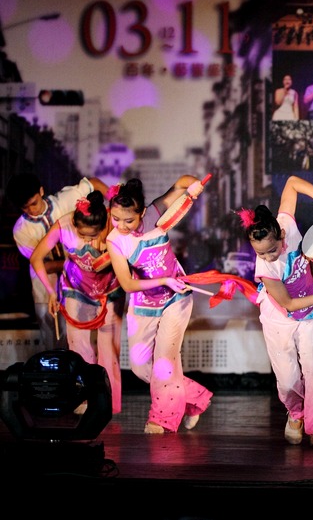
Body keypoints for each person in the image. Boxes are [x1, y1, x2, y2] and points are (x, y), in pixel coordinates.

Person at [240, 176, 313, 448]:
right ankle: (295, 413)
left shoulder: (287, 225)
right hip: (279, 319)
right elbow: (290, 304)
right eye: (260, 253)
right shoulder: (266, 268)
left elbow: (292, 182)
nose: (268, 257)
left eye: (271, 250)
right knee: (288, 379)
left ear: (281, 235)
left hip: (309, 315)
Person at [106, 176, 214, 433]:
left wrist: (194, 185)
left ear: (142, 213)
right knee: (139, 366)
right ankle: (194, 398)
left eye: (129, 220)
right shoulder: (115, 241)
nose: (121, 225)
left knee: (165, 362)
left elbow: (180, 184)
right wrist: (163, 280)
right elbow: (127, 284)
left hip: (176, 298)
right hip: (144, 304)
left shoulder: (155, 212)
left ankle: (160, 420)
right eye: (115, 218)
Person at [29, 190, 123, 414]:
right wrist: (51, 292)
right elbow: (36, 258)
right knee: (78, 346)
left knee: (108, 348)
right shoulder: (64, 225)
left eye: (93, 235)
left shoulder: (113, 224)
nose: (88, 240)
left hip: (109, 288)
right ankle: (84, 397)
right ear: (74, 223)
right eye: (83, 235)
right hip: (76, 287)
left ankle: (107, 401)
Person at [8, 172, 108, 351]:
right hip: (46, 287)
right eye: (25, 208)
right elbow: (42, 265)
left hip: (79, 283)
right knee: (52, 339)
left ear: (41, 191)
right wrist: (81, 262)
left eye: (34, 203)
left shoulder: (65, 199)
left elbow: (94, 183)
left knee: (81, 337)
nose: (32, 210)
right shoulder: (21, 230)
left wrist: (115, 206)